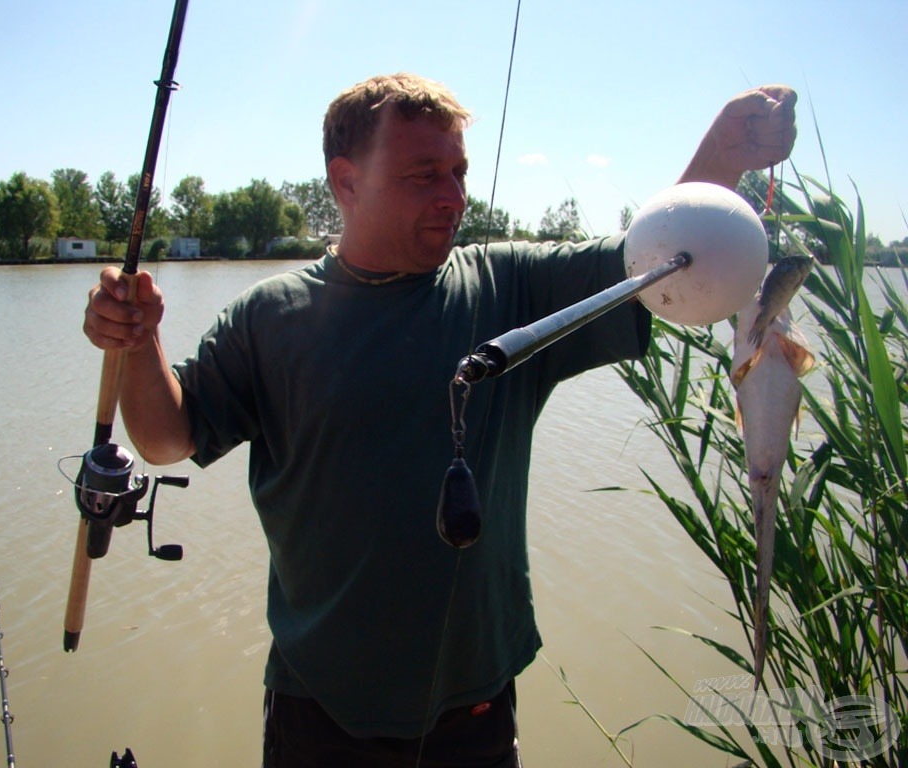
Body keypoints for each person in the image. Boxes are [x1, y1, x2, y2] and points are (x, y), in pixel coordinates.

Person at [84, 73, 797, 767]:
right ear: (346, 181)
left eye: (457, 171)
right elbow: (165, 437)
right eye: (423, 174)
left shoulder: (512, 286)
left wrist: (726, 151)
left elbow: (664, 258)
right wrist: (137, 339)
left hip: (474, 706)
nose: (452, 196)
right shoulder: (270, 316)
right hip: (320, 705)